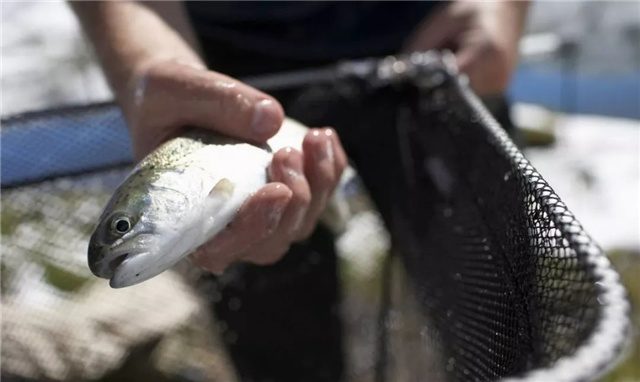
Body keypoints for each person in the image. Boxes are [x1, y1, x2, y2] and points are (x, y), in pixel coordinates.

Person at [71, 2, 529, 381]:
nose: (123, 236)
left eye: (123, 226)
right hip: (212, 79)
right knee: (283, 356)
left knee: (502, 327)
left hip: (429, 45)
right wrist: (152, 63)